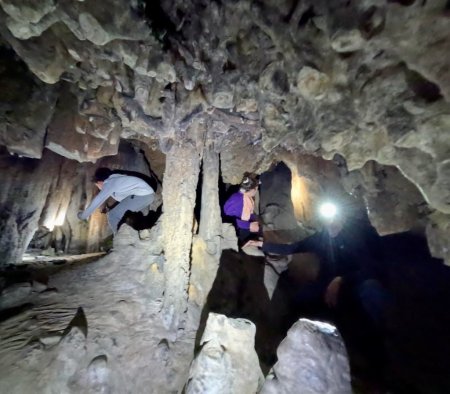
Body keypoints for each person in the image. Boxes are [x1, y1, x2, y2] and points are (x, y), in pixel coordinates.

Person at [262, 213, 390, 328]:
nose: (330, 221)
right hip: (327, 284)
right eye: (327, 218)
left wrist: (341, 279)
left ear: (343, 218)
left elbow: (371, 269)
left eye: (334, 218)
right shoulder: (321, 238)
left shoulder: (358, 237)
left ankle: (378, 330)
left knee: (372, 289)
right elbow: (292, 248)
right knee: (299, 298)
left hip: (355, 284)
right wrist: (260, 245)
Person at [78, 167, 155, 233]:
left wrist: (83, 215)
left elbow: (98, 200)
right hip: (146, 195)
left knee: (112, 215)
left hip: (142, 195)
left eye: (97, 185)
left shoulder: (109, 182)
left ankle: (119, 243)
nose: (99, 188)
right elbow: (124, 201)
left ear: (100, 182)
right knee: (128, 218)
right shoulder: (116, 180)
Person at [224, 173, 261, 246]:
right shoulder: (237, 199)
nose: (256, 191)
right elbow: (228, 220)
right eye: (256, 188)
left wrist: (255, 220)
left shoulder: (246, 197)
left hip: (242, 227)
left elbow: (248, 214)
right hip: (235, 232)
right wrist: (248, 225)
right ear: (253, 189)